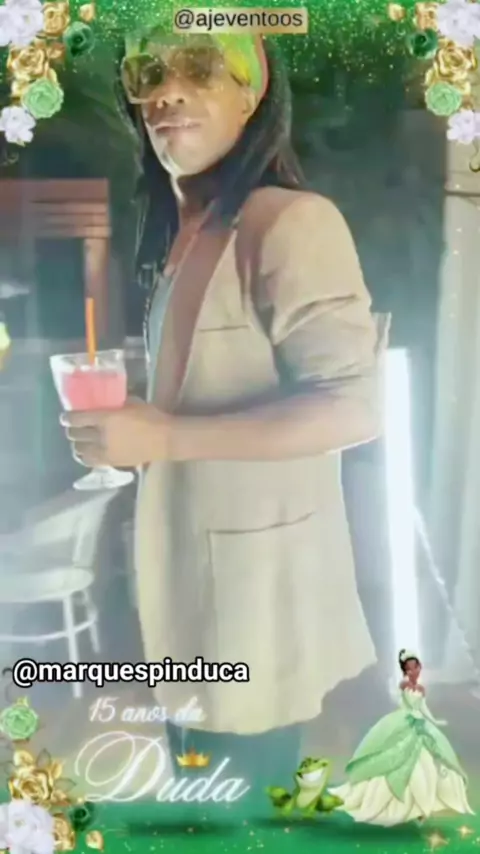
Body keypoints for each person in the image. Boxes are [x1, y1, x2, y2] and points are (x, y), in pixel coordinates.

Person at [61, 28, 389, 789]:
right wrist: (137, 421)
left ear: (253, 96)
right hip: (186, 587)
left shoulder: (290, 222)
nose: (167, 91)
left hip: (254, 602)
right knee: (199, 796)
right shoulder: (185, 233)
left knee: (238, 810)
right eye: (148, 72)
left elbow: (353, 408)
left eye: (201, 68)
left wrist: (163, 435)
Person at [330, 649, 474, 824]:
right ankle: (396, 803)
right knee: (396, 758)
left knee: (427, 762)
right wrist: (408, 715)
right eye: (408, 669)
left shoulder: (421, 689)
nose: (412, 672)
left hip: (419, 723)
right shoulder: (404, 685)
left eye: (415, 668)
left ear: (419, 667)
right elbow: (403, 703)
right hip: (405, 720)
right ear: (405, 670)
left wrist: (434, 720)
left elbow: (423, 707)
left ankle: (422, 804)